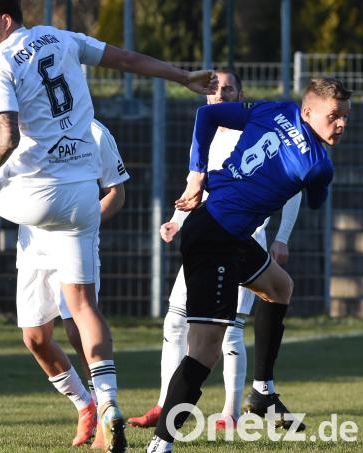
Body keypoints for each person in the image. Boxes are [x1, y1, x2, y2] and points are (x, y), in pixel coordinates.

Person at [0, 1, 215, 451]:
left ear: (5, 19)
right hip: (79, 197)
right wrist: (182, 76)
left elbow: (6, 136)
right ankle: (106, 404)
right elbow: (127, 59)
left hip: (39, 194)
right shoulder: (62, 38)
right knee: (79, 308)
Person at [145, 77, 351, 452]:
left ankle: (261, 394)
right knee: (205, 349)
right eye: (333, 116)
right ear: (308, 112)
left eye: (345, 118)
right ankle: (159, 446)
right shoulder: (319, 166)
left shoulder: (272, 108)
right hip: (215, 240)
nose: (340, 125)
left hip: (224, 231)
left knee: (279, 287)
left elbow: (206, 115)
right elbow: (318, 200)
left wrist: (197, 173)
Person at [128, 70, 302, 431]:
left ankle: (231, 413)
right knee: (176, 320)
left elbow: (295, 186)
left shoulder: (253, 132)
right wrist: (176, 220)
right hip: (204, 238)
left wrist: (281, 237)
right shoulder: (205, 137)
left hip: (242, 242)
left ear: (241, 95)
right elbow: (197, 189)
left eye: (228, 90)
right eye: (214, 90)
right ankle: (166, 405)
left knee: (230, 330)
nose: (220, 95)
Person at [16, 119, 129, 447]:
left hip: (74, 240)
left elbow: (116, 193)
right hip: (32, 246)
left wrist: (87, 220)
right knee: (35, 338)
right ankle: (86, 405)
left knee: (76, 326)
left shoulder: (94, 132)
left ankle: (107, 408)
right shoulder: (22, 126)